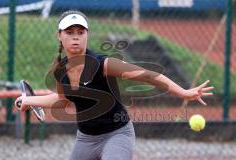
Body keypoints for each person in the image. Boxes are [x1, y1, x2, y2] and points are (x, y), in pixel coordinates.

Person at [15, 10, 214, 160]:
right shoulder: (60, 71)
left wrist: (183, 92)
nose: (75, 36)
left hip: (116, 135)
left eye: (80, 32)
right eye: (69, 32)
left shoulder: (104, 64)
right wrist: (29, 100)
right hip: (85, 139)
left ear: (87, 35)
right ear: (59, 36)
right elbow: (63, 100)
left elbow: (149, 76)